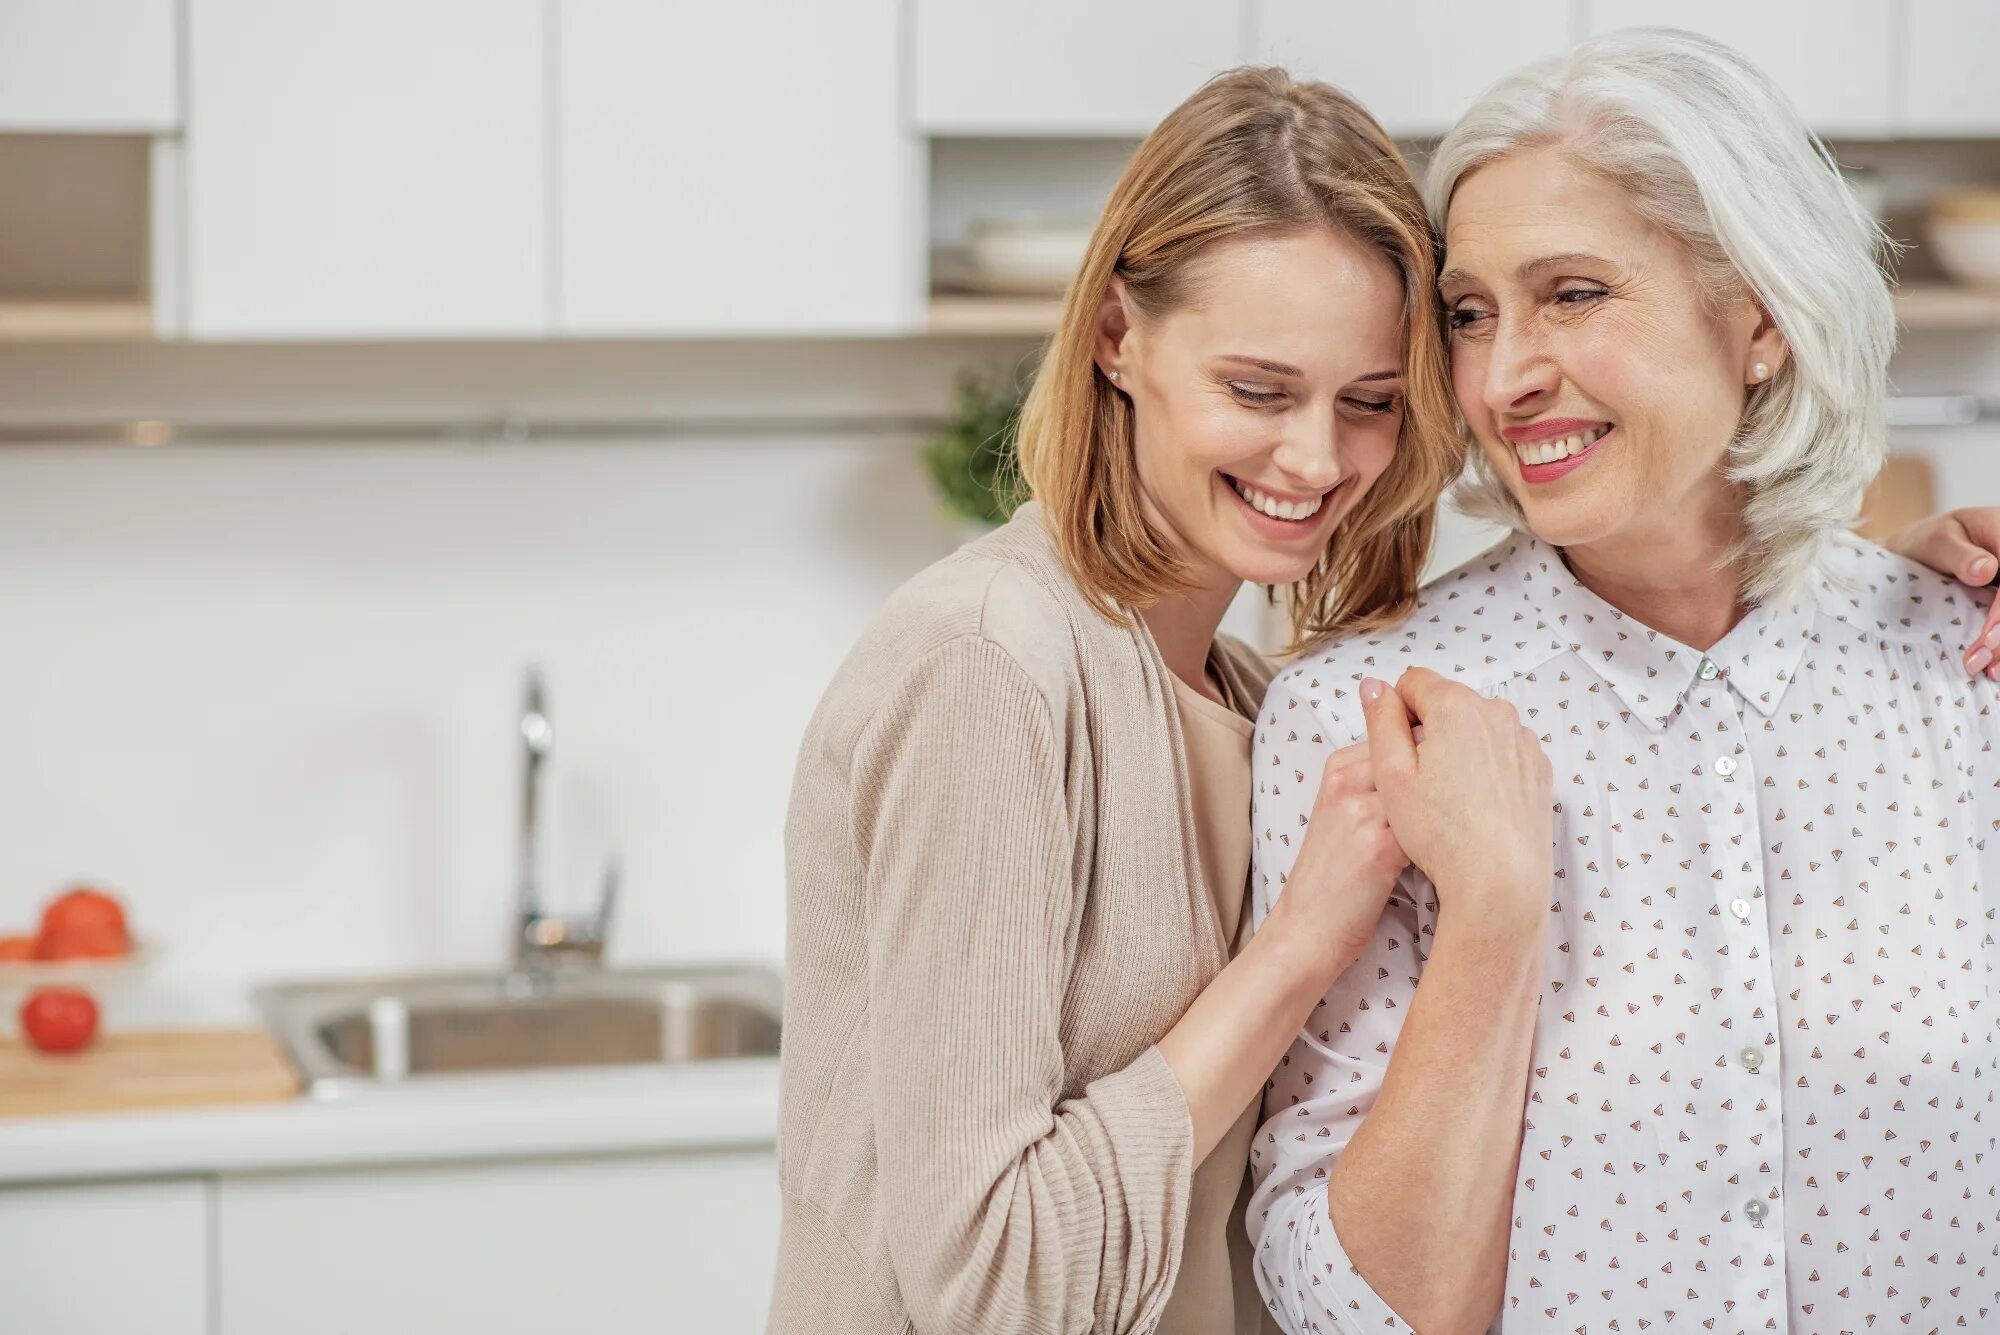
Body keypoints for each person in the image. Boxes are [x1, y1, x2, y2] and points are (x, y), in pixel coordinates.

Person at [1246, 28, 2000, 1335]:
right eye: (1472, 314)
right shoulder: (1372, 716)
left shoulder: (1959, 666)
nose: (1504, 374)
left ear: (1759, 315)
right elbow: (1341, 1302)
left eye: (1575, 293)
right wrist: (1494, 912)